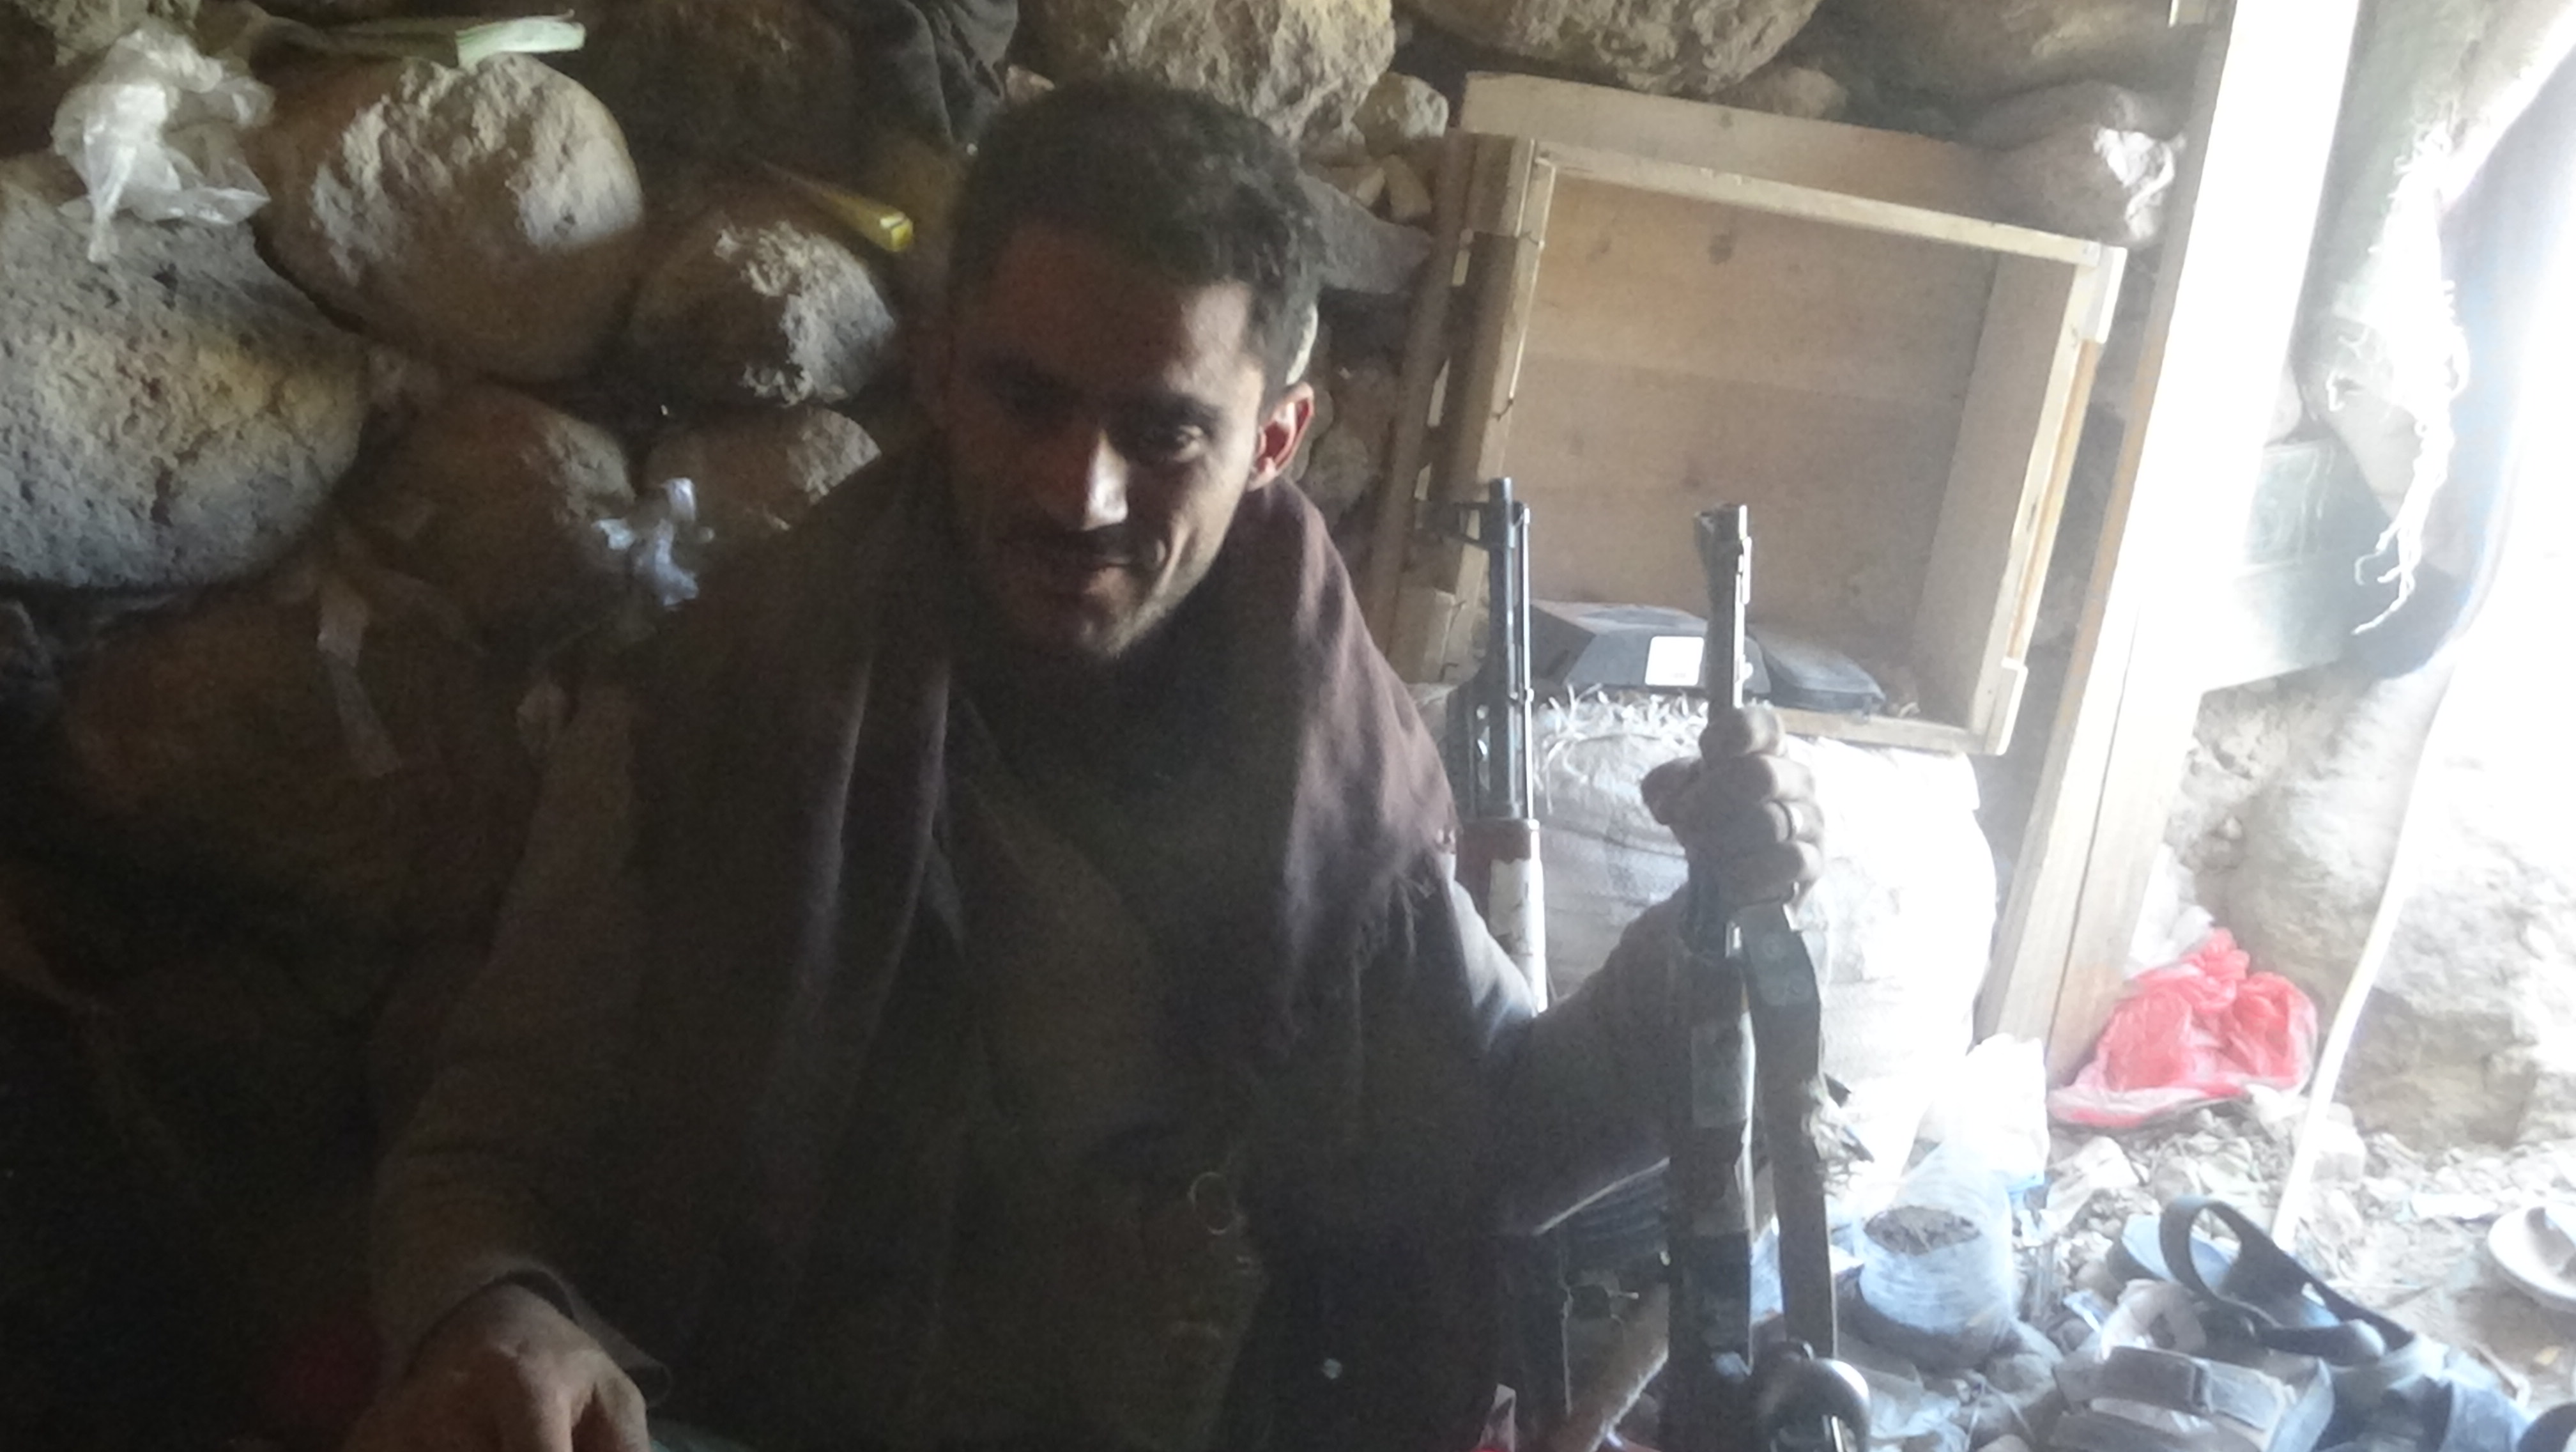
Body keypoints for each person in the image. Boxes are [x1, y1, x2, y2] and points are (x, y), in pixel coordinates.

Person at [351, 79, 1823, 1452]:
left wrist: (1709, 945)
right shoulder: (723, 704)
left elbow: (1502, 1142)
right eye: (1028, 400)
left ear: (1276, 439)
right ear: (940, 368)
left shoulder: (1330, 764)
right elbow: (485, 1153)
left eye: (1164, 430)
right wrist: (505, 1314)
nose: (1081, 490)